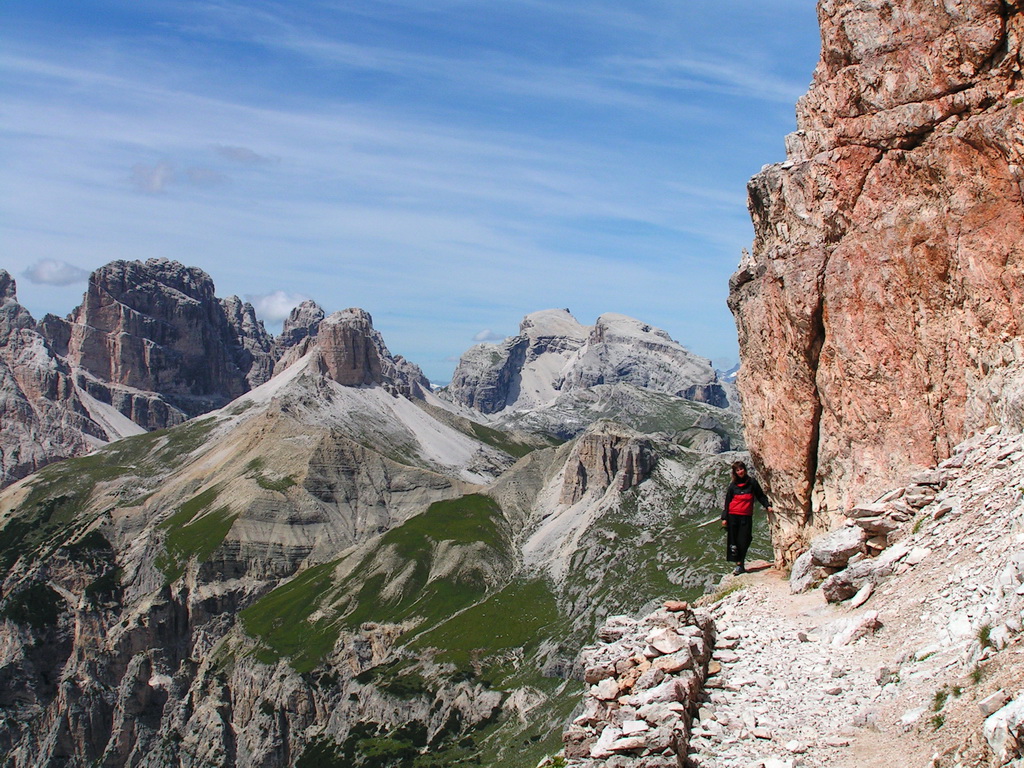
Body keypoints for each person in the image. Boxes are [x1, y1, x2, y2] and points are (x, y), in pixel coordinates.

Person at [721, 461, 772, 575]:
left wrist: (767, 505)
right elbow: (728, 501)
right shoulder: (733, 486)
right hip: (733, 516)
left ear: (745, 469)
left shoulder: (752, 482)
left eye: (741, 469)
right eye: (737, 470)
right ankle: (739, 565)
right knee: (734, 543)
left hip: (745, 516)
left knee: (744, 540)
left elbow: (760, 495)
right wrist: (724, 518)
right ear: (735, 472)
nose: (740, 471)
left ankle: (740, 563)